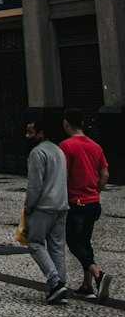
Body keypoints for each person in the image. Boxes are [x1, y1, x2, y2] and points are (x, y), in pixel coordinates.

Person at [60, 108, 112, 302]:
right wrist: (95, 192)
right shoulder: (95, 146)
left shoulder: (66, 146)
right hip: (93, 203)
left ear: (66, 124)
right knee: (85, 241)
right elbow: (105, 175)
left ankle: (98, 274)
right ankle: (86, 284)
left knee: (74, 242)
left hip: (76, 202)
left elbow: (63, 175)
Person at [24, 114, 69, 304]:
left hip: (43, 206)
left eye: (31, 132)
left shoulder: (37, 153)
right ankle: (60, 285)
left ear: (41, 134)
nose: (27, 136)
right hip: (61, 204)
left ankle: (55, 281)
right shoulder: (59, 151)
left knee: (34, 243)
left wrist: (28, 207)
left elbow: (35, 184)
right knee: (57, 246)